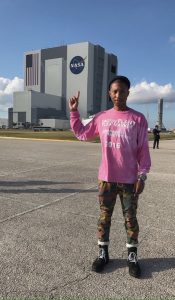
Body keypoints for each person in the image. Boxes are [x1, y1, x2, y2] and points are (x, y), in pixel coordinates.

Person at [69, 75, 151, 278]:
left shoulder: (138, 119)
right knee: (104, 218)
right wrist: (73, 112)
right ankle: (103, 254)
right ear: (109, 93)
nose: (118, 95)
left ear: (128, 93)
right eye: (114, 91)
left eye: (122, 91)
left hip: (130, 181)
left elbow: (143, 151)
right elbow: (82, 133)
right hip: (106, 178)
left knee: (130, 219)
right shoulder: (102, 117)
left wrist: (142, 177)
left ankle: (132, 256)